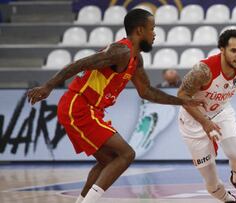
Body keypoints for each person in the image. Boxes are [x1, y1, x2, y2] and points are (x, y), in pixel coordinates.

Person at [27, 9, 202, 203]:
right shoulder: (121, 51)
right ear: (139, 30)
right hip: (78, 105)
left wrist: (183, 101)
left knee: (109, 160)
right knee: (127, 154)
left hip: (90, 109)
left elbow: (147, 92)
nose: (155, 34)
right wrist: (49, 86)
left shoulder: (136, 59)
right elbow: (79, 64)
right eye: (152, 29)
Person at [177, 29, 236, 203]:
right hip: (194, 121)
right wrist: (205, 122)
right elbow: (182, 96)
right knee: (211, 183)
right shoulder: (203, 70)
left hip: (221, 112)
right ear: (222, 49)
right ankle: (229, 200)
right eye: (234, 50)